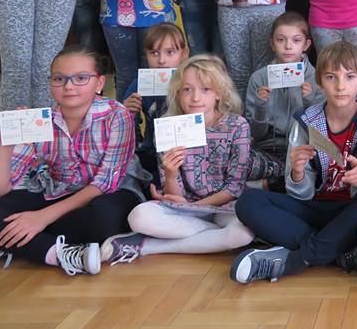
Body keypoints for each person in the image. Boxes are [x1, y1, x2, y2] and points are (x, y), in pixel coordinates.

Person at [230, 41, 357, 283]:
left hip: (353, 210)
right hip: (314, 208)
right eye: (331, 77)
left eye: (349, 77)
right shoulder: (306, 121)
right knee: (247, 202)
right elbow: (301, 194)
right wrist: (297, 173)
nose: (340, 86)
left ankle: (299, 259)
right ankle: (338, 251)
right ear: (319, 82)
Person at [0, 46, 144, 275]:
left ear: (99, 83)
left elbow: (105, 183)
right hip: (59, 190)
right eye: (59, 79)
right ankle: (58, 252)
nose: (69, 86)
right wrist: (4, 143)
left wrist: (42, 218)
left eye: (81, 78)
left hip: (107, 193)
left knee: (101, 220)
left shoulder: (117, 115)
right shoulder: (41, 121)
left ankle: (15, 240)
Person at [99, 55, 254, 264]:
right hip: (183, 209)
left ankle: (147, 247)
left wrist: (195, 206)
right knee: (138, 216)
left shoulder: (236, 125)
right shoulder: (168, 126)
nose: (195, 98)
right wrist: (171, 174)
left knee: (243, 233)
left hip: (224, 206)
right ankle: (214, 235)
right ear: (177, 93)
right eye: (187, 89)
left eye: (206, 89)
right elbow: (174, 195)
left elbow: (235, 187)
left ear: (219, 94)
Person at [245, 12, 323, 185]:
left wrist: (308, 102)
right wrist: (261, 106)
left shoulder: (316, 79)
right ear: (272, 44)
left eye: (296, 40)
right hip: (267, 149)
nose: (288, 46)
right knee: (239, 160)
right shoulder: (259, 78)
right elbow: (256, 134)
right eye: (281, 40)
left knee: (317, 163)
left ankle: (275, 181)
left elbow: (320, 132)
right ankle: (280, 179)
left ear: (306, 44)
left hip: (302, 148)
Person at [120, 22, 190, 188]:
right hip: (151, 152)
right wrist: (126, 113)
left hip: (188, 153)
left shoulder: (193, 82)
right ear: (146, 55)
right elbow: (127, 136)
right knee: (131, 175)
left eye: (170, 52)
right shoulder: (140, 84)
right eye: (154, 53)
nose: (162, 60)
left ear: (184, 54)